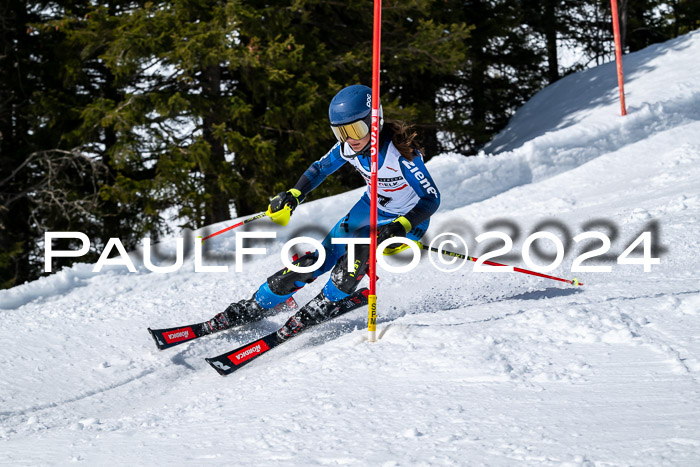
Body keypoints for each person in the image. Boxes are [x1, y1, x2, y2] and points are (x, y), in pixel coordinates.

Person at [207, 84, 441, 337]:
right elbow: (319, 169)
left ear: (375, 122)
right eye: (341, 132)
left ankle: (327, 302)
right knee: (317, 258)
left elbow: (431, 199)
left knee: (359, 250)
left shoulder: (400, 156)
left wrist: (401, 225)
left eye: (355, 129)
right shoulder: (347, 147)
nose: (350, 138)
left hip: (408, 221)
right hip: (370, 207)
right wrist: (295, 194)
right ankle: (258, 303)